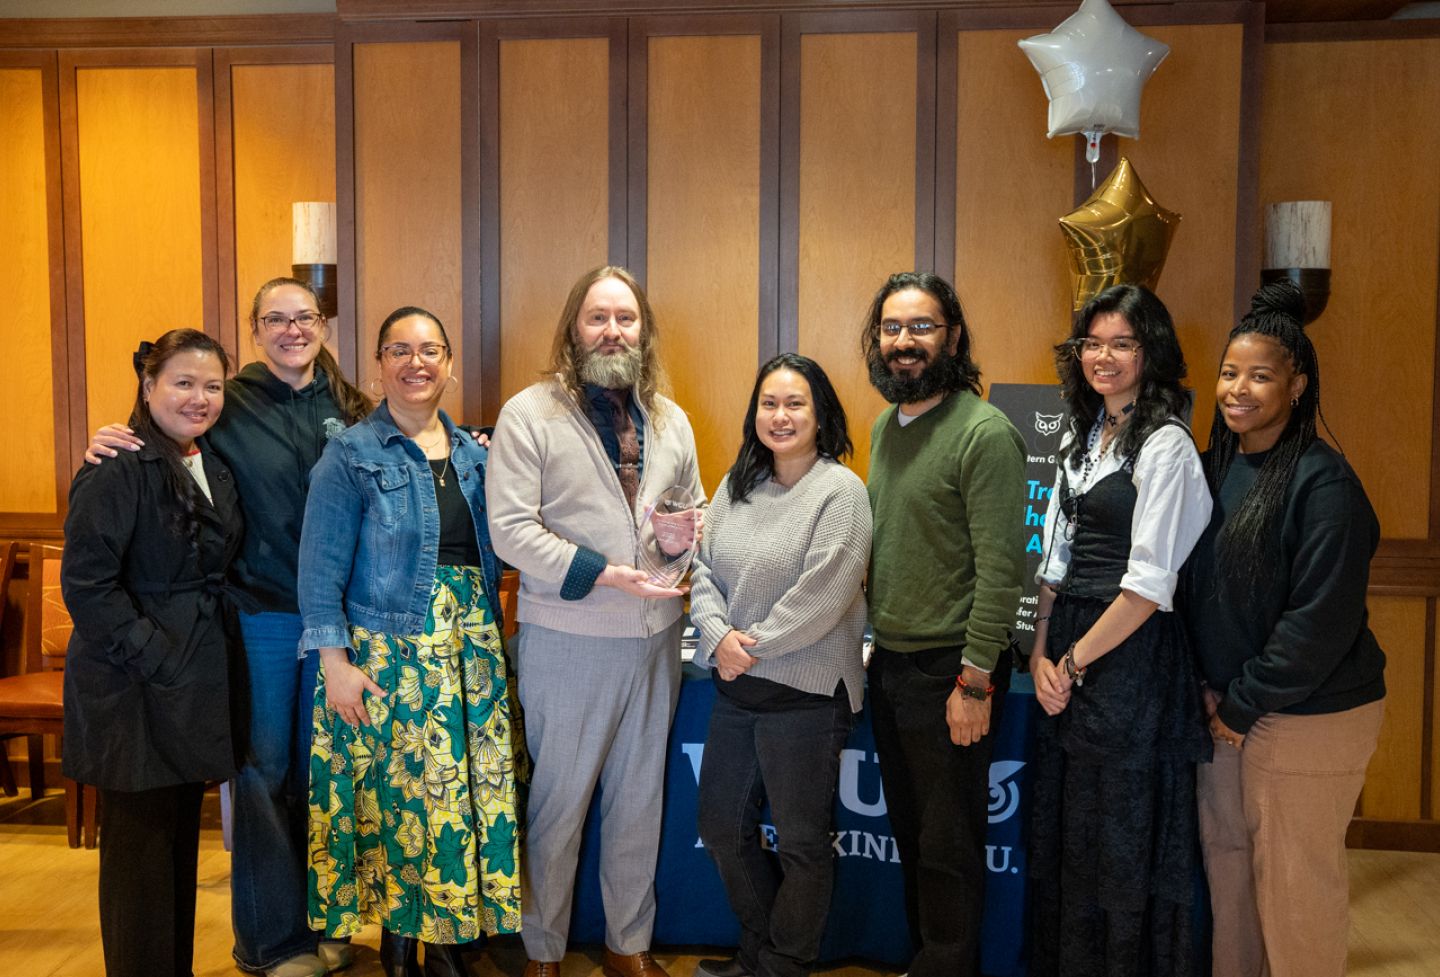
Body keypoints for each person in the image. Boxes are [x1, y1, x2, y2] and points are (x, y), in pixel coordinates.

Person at [86, 278, 372, 977]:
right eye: (275, 318)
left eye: (304, 316)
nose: (291, 329)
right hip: (262, 616)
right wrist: (109, 435)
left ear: (324, 324)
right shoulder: (229, 401)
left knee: (326, 778)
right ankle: (272, 941)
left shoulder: (353, 405)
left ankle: (323, 926)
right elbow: (159, 440)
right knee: (264, 775)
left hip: (338, 624)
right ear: (255, 329)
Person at [486, 265, 703, 977]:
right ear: (574, 329)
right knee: (559, 806)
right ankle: (543, 950)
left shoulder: (671, 417)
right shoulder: (530, 413)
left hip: (656, 642)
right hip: (569, 640)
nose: (613, 329)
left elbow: (692, 509)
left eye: (626, 318)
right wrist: (604, 573)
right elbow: (512, 530)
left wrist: (683, 535)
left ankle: (626, 945)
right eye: (598, 317)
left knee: (640, 803)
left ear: (644, 330)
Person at [297, 307, 523, 977]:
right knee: (400, 805)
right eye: (399, 350)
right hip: (387, 655)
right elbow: (318, 569)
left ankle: (449, 941)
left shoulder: (476, 455)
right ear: (378, 367)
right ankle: (404, 939)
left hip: (472, 653)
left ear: (450, 365)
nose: (415, 361)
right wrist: (333, 663)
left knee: (461, 802)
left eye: (429, 350)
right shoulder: (351, 453)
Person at [1185, 280, 1386, 977]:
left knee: (1296, 891)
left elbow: (1319, 619)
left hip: (1308, 714)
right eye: (1229, 372)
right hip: (1227, 711)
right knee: (1232, 875)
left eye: (1260, 375)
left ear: (1297, 384)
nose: (1238, 388)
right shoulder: (1216, 467)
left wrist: (1242, 703)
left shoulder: (1322, 481)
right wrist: (1212, 693)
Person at [1029, 283, 1213, 977]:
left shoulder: (1166, 445)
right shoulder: (1083, 437)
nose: (1103, 357)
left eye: (1121, 343)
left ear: (1151, 352)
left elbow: (1147, 587)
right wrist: (1042, 651)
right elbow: (1055, 559)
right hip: (1070, 645)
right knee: (1071, 833)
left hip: (1129, 661)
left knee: (1120, 839)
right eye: (1092, 343)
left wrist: (1072, 664)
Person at [62, 329, 244, 977]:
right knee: (139, 861)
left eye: (213, 386)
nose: (199, 397)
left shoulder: (209, 460)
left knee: (176, 852)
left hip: (191, 682)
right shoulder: (116, 465)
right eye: (184, 382)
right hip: (131, 690)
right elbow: (87, 585)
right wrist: (155, 655)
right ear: (148, 386)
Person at [860, 272, 1025, 977]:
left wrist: (975, 680)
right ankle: (928, 962)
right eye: (892, 328)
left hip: (952, 670)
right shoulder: (881, 427)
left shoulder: (984, 433)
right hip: (892, 664)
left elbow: (1000, 570)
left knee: (949, 849)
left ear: (953, 335)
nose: (904, 342)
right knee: (912, 836)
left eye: (921, 326)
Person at [689, 353, 871, 977]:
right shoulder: (734, 485)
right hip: (740, 691)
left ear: (821, 415)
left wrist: (749, 645)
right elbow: (703, 571)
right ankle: (760, 953)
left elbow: (825, 594)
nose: (781, 415)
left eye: (796, 404)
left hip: (808, 696)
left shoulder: (841, 491)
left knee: (799, 843)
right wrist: (719, 637)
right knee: (719, 827)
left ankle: (784, 965)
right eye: (769, 403)